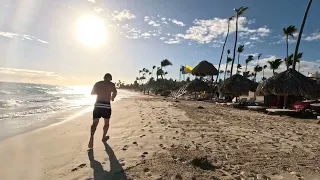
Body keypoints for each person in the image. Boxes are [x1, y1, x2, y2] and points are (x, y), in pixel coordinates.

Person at [88, 73, 117, 149]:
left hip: (98, 105)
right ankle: (103, 137)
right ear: (110, 79)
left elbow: (92, 93)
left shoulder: (98, 83)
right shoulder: (112, 85)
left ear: (104, 78)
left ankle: (91, 138)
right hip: (106, 106)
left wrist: (100, 92)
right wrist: (112, 98)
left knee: (94, 123)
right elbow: (115, 92)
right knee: (106, 123)